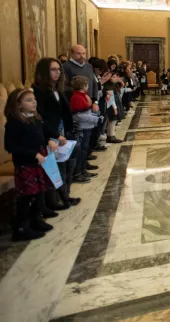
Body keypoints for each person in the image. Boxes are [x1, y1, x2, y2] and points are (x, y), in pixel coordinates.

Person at [33, 58, 85, 213]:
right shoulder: (38, 91)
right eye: (53, 69)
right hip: (49, 133)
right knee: (56, 168)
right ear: (44, 72)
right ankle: (56, 200)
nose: (57, 72)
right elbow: (40, 117)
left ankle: (65, 195)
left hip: (61, 130)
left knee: (67, 163)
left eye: (58, 69)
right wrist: (52, 136)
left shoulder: (56, 89)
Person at [4, 88, 55, 241]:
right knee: (28, 195)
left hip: (39, 161)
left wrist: (49, 141)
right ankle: (21, 227)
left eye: (34, 99)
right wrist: (33, 154)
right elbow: (11, 146)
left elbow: (40, 136)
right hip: (26, 164)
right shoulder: (14, 123)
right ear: (18, 105)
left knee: (39, 192)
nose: (34, 102)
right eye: (29, 100)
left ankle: (36, 220)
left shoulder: (35, 118)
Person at [69, 76, 101, 189]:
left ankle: (83, 170)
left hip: (87, 126)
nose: (88, 87)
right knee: (81, 151)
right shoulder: (77, 97)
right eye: (87, 85)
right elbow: (78, 116)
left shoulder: (82, 96)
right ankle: (78, 173)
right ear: (83, 86)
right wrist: (95, 119)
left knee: (84, 150)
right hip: (82, 128)